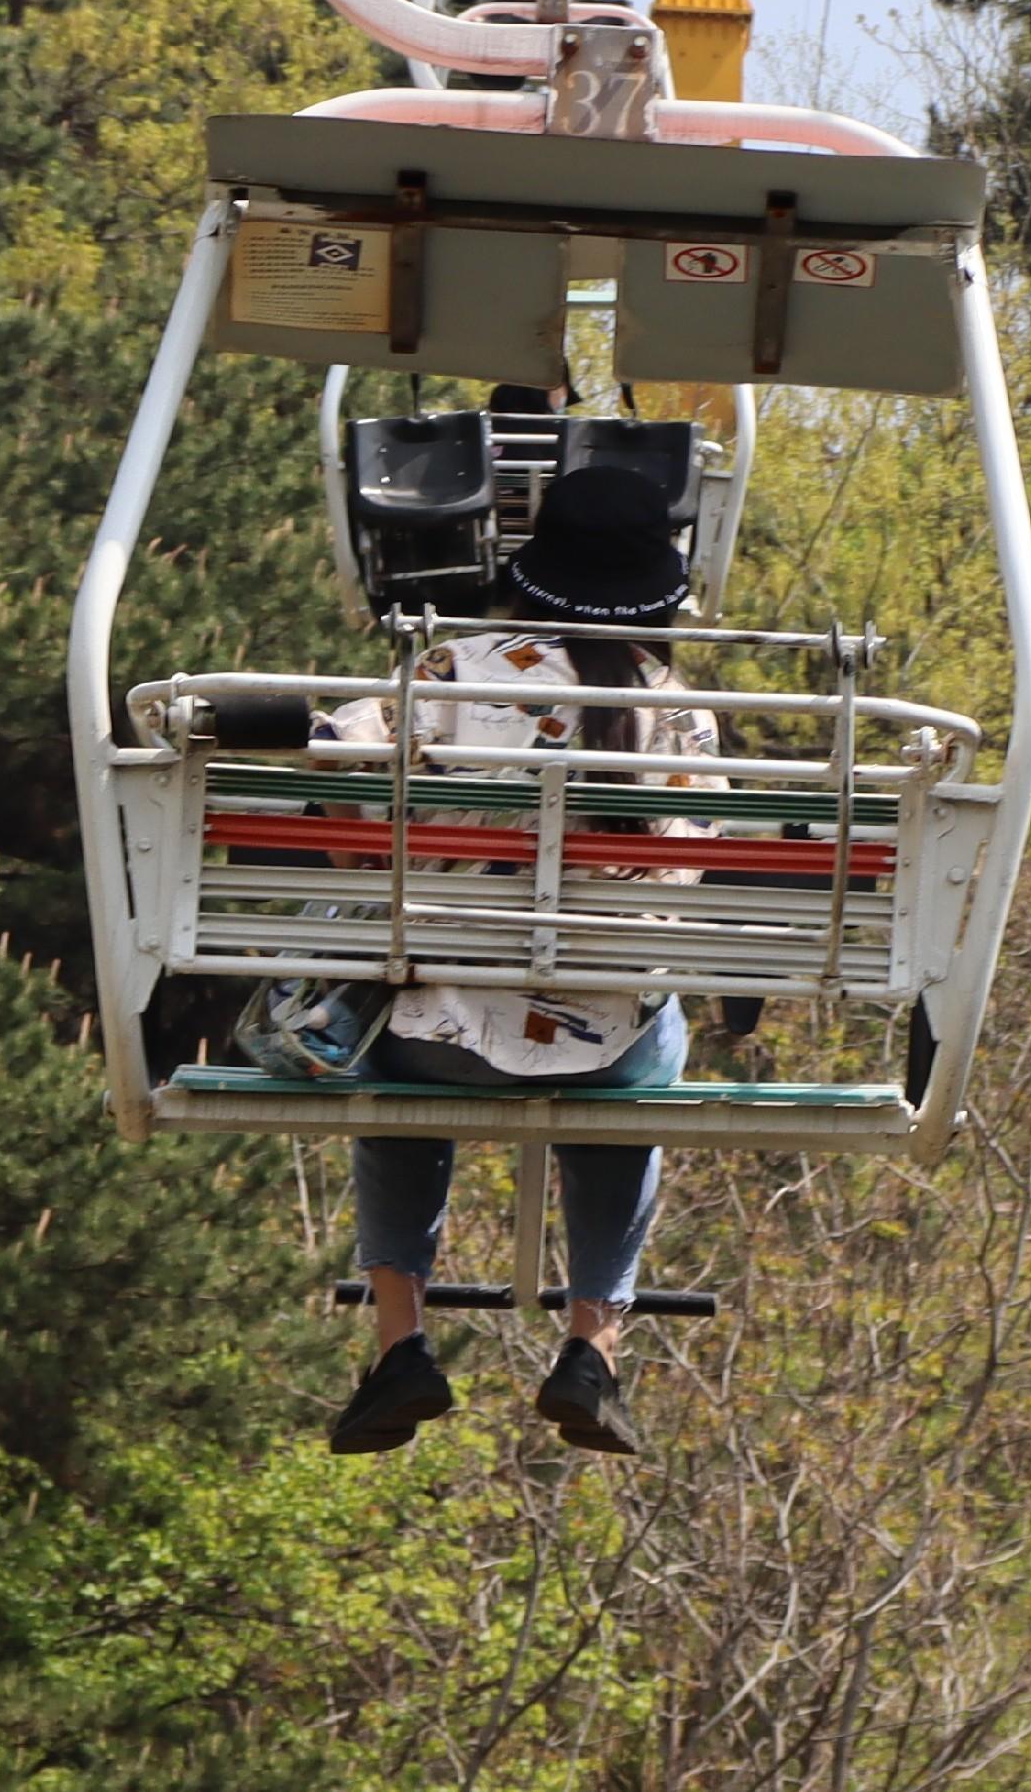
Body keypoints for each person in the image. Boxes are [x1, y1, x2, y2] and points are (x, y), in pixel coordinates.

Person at [315, 425, 714, 1459]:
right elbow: (694, 874)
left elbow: (335, 755)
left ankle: (400, 1340)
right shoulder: (685, 715)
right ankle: (593, 1343)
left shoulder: (451, 666)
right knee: (639, 1045)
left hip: (437, 1032)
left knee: (395, 1061)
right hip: (601, 1045)